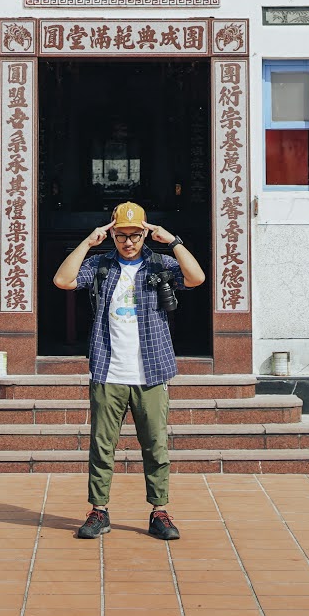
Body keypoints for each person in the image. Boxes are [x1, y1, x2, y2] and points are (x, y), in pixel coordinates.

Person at [52, 201, 205, 541]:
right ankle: (99, 510)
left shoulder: (159, 263)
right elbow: (63, 280)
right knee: (102, 445)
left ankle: (159, 511)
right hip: (109, 370)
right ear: (112, 232)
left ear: (146, 232)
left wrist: (174, 242)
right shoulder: (101, 265)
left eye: (136, 234)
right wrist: (88, 242)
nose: (129, 242)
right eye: (121, 235)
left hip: (150, 372)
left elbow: (197, 278)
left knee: (155, 446)